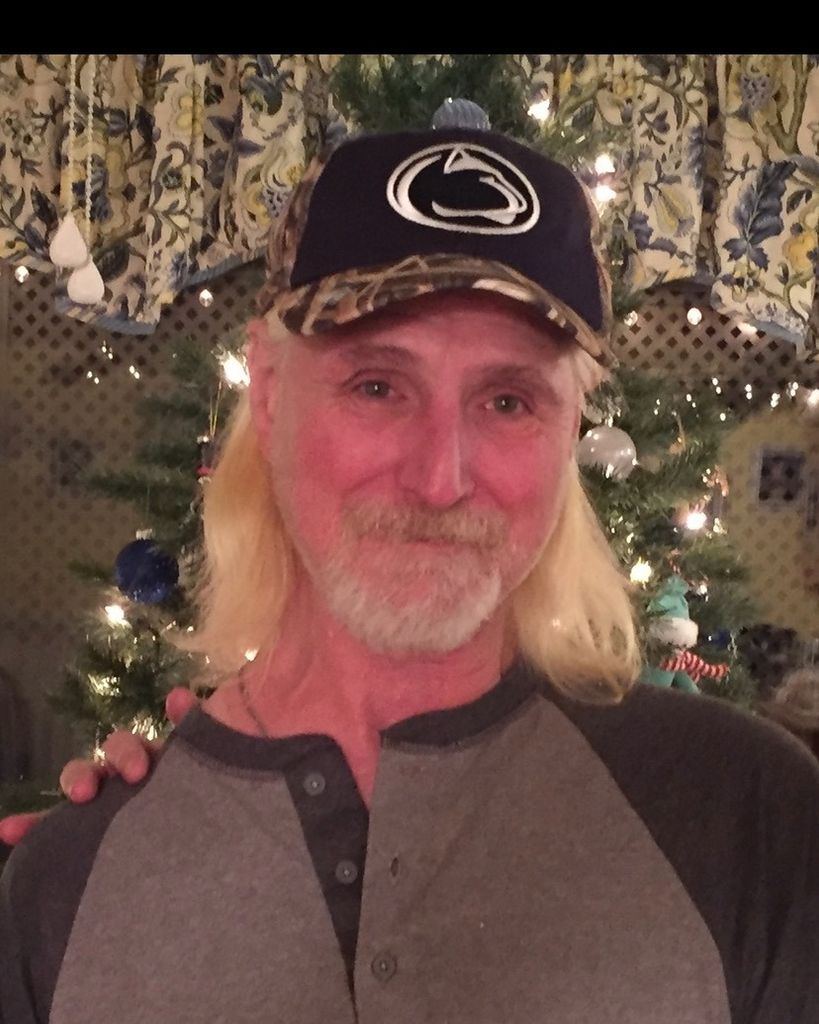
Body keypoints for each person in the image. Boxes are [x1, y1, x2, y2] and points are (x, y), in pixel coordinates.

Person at [2, 126, 819, 1024]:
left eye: (507, 400)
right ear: (267, 389)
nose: (440, 479)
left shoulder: (748, 820)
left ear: (570, 428)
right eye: (377, 386)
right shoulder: (65, 885)